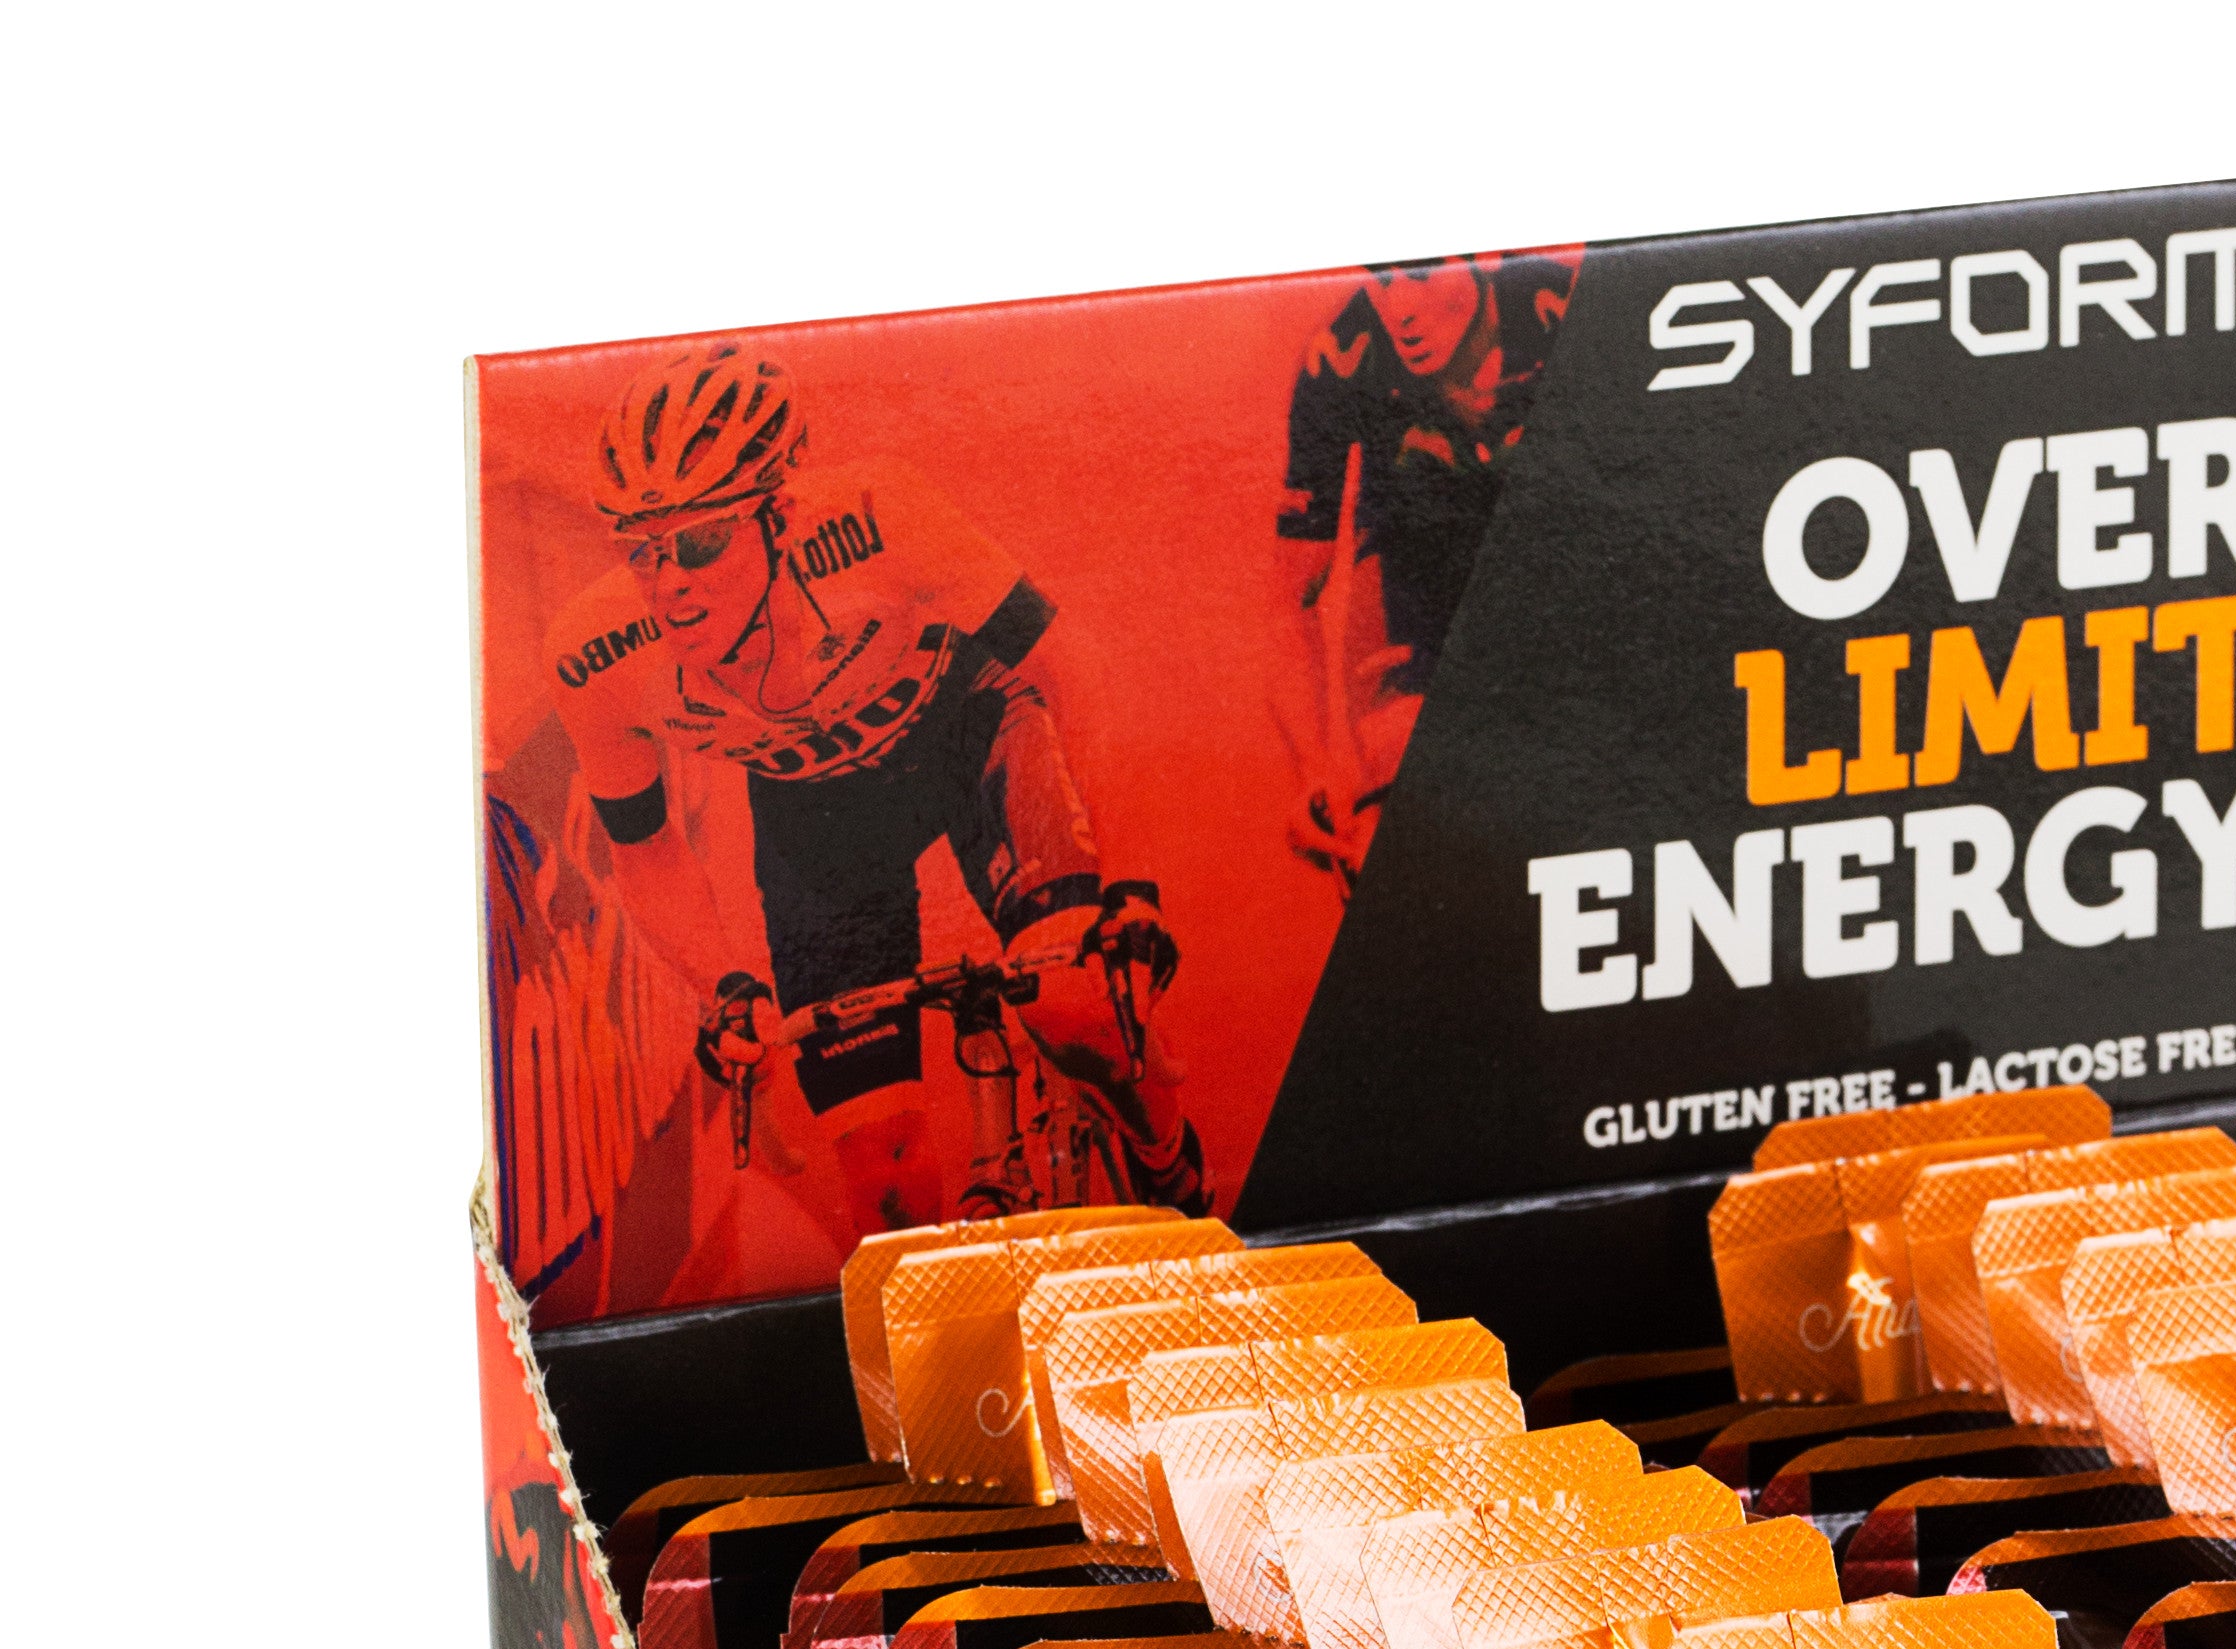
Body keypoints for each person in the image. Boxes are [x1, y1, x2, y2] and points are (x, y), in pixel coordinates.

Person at [545, 344, 1204, 1236]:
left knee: (1074, 1009)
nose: (670, 585)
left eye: (700, 542)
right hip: (820, 822)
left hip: (966, 733)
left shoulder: (882, 516)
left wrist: (1132, 889)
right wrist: (725, 989)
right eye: (640, 550)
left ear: (778, 518)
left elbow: (1071, 671)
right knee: (881, 1185)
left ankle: (1165, 1155)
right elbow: (645, 849)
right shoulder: (595, 655)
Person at [1273, 254, 1577, 888]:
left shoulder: (1563, 305)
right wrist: (1314, 767)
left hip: (1556, 576)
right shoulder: (1344, 355)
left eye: (1419, 273)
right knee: (1387, 831)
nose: (1399, 310)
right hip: (1420, 591)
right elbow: (1289, 599)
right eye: (1382, 282)